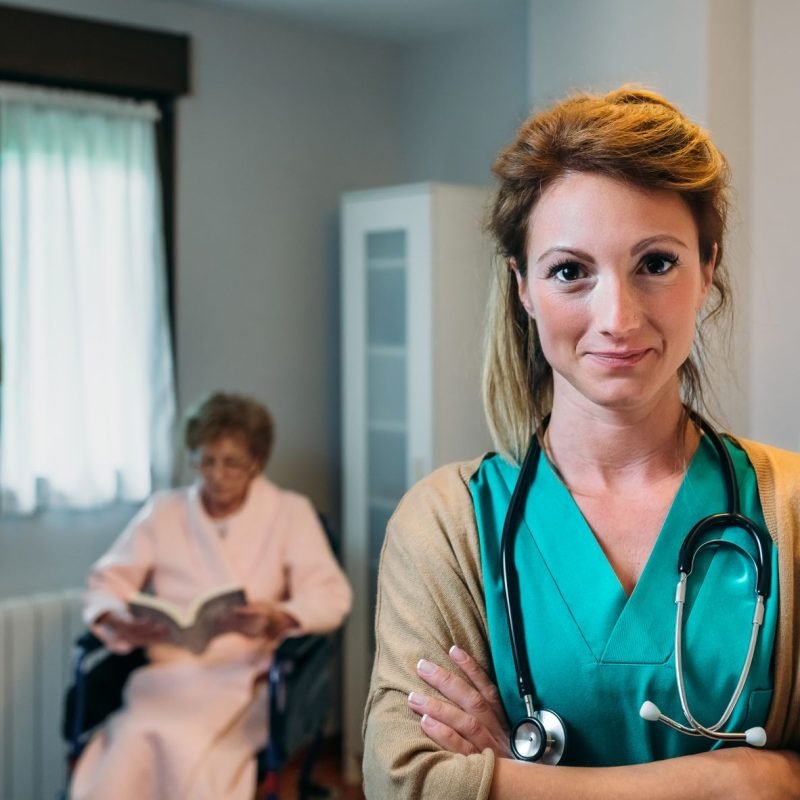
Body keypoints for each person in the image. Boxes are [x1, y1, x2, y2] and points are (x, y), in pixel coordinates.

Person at [362, 87, 800, 798]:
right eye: (570, 271)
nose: (617, 318)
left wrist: (512, 779)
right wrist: (740, 778)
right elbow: (406, 783)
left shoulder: (789, 510)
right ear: (523, 287)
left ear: (707, 268)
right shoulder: (447, 525)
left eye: (655, 263)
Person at [70, 391, 352, 800]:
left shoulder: (290, 512)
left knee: (193, 749)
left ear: (256, 462)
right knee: (128, 743)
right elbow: (105, 583)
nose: (217, 474)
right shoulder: (163, 511)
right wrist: (116, 617)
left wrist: (279, 617)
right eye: (205, 460)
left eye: (231, 462)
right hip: (168, 675)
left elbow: (331, 595)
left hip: (245, 679)